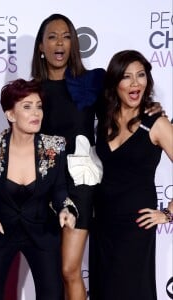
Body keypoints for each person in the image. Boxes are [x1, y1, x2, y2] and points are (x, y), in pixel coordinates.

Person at [31, 13, 163, 300]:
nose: (60, 43)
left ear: (74, 44)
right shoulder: (31, 92)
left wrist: (150, 110)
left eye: (66, 36)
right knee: (50, 273)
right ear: (41, 46)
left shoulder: (90, 83)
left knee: (69, 270)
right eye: (52, 36)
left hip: (80, 187)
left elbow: (124, 102)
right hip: (41, 188)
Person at [0, 78, 78, 300]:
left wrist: (66, 210)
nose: (36, 113)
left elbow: (59, 191)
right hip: (0, 231)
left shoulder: (54, 147)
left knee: (52, 295)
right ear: (10, 115)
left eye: (38, 106)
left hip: (42, 231)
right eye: (27, 107)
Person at [89, 50, 173, 300]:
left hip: (136, 225)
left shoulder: (156, 122)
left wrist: (169, 212)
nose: (136, 83)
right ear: (115, 83)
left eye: (141, 75)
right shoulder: (105, 118)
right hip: (102, 222)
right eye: (127, 77)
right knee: (104, 290)